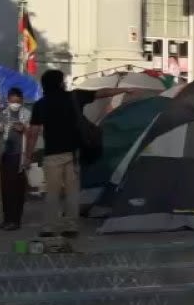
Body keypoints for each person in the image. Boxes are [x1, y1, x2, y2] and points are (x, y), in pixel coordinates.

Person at [24, 70, 139, 237]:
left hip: (52, 154)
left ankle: (49, 227)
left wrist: (28, 156)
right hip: (74, 153)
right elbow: (102, 93)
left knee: (52, 192)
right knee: (72, 192)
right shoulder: (74, 97)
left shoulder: (41, 104)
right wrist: (124, 90)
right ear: (60, 83)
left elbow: (33, 132)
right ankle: (71, 226)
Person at [0, 87, 31, 231]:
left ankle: (15, 220)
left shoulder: (27, 114)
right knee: (5, 189)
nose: (15, 103)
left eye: (17, 100)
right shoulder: (2, 114)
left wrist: (24, 128)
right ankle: (6, 219)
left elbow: (34, 133)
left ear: (21, 100)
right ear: (8, 99)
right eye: (12, 100)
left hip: (18, 156)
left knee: (17, 190)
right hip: (4, 155)